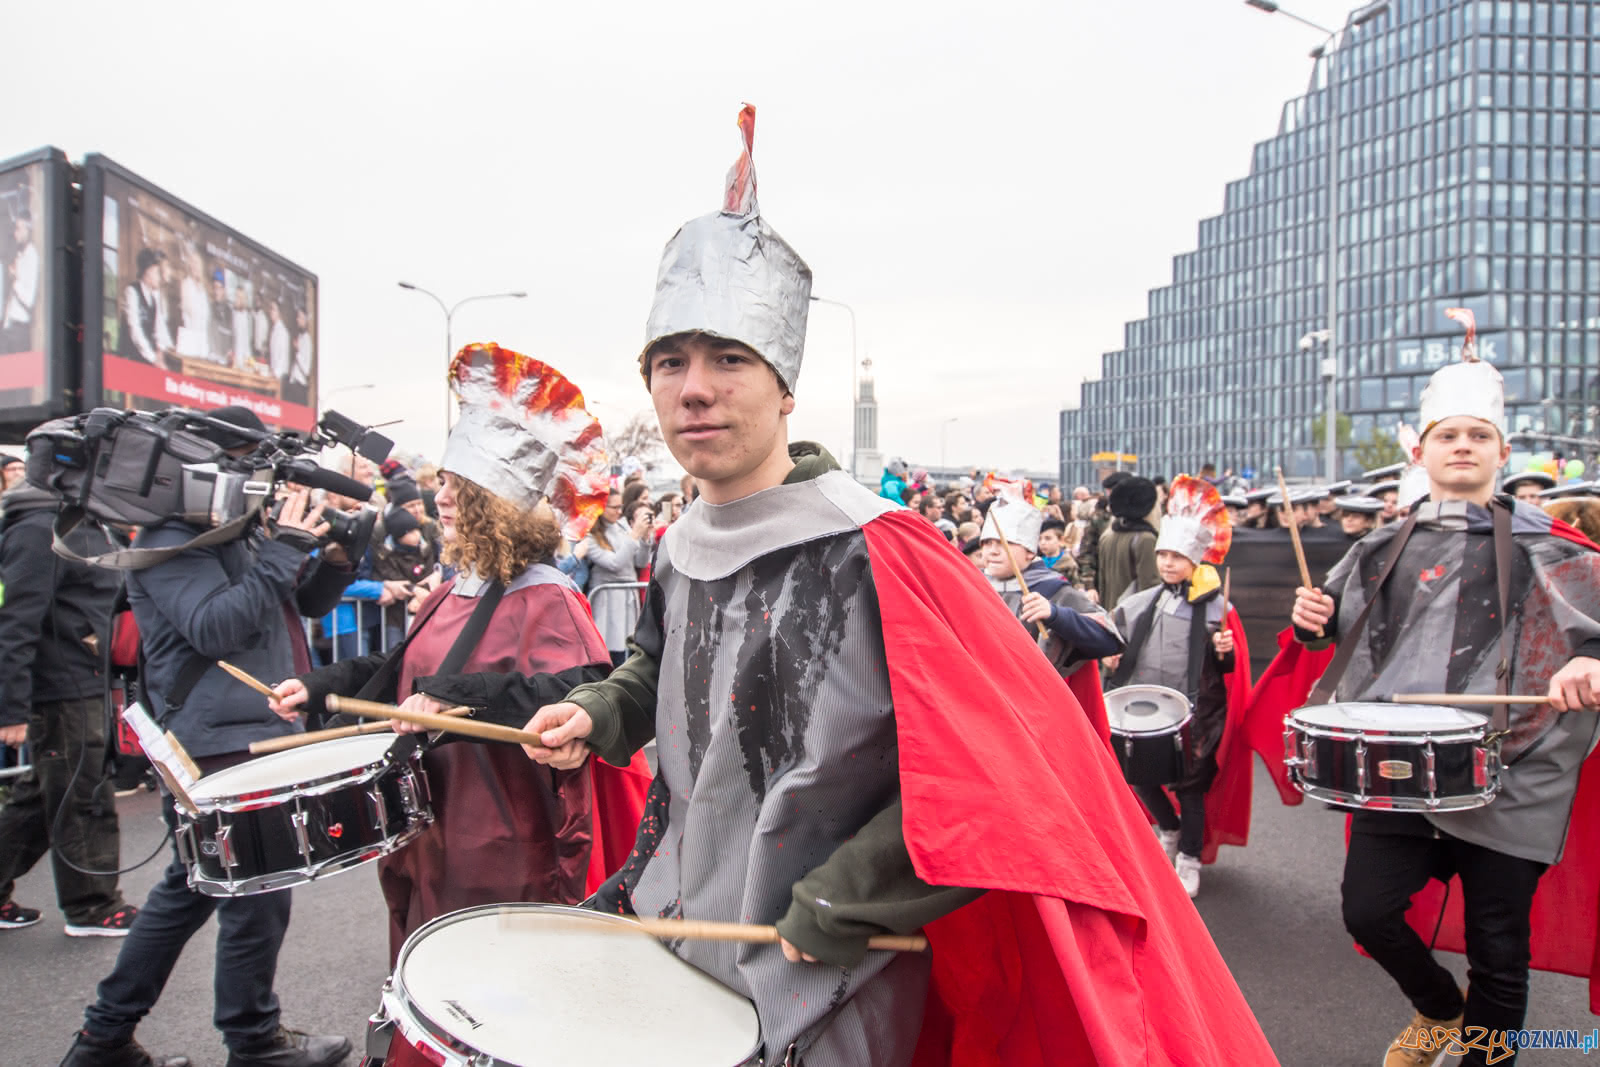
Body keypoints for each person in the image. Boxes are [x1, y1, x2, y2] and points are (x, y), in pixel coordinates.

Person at [518, 106, 1276, 1067]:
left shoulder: (884, 549)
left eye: (727, 359)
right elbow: (658, 671)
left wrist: (848, 894)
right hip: (678, 929)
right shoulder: (678, 542)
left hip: (825, 969)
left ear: (784, 386)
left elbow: (998, 777)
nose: (694, 388)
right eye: (672, 363)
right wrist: (597, 712)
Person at [1291, 315, 1600, 1067]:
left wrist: (1588, 661)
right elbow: (1338, 631)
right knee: (1367, 909)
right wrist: (1311, 624)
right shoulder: (1377, 544)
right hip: (1401, 773)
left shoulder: (1550, 543)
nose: (1462, 445)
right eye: (1447, 434)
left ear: (1501, 449)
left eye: (1478, 434)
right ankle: (1439, 1007)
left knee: (1502, 949)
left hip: (1513, 774)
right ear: (1420, 449)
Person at [271, 343, 646, 961]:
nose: (438, 498)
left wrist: (452, 699)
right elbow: (407, 673)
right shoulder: (448, 590)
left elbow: (577, 690)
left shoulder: (547, 597)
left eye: (456, 486)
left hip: (503, 841)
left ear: (492, 503)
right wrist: (318, 683)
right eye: (441, 483)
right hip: (432, 829)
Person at [60, 406, 355, 1067]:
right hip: (215, 738)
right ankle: (252, 1041)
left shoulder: (229, 533)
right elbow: (216, 626)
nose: (260, 482)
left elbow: (295, 603)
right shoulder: (171, 539)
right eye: (249, 463)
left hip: (236, 731)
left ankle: (103, 1038)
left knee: (193, 888)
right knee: (253, 892)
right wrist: (280, 547)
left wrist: (334, 555)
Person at [1105, 475, 1250, 898]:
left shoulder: (1217, 607)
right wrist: (1111, 653)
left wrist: (1224, 650)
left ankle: (1190, 856)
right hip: (1146, 705)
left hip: (1199, 710)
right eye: (1163, 554)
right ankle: (1167, 829)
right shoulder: (1141, 601)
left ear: (1196, 559)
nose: (1168, 563)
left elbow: (1230, 667)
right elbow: (1117, 638)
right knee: (1140, 775)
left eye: (1177, 556)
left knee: (1190, 787)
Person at [0, 481, 133, 937]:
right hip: (60, 686)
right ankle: (92, 906)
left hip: (83, 678)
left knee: (41, 801)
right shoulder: (41, 529)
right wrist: (11, 709)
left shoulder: (87, 523)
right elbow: (16, 621)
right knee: (82, 797)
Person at [980, 487, 1121, 735]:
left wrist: (1056, 615)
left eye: (1003, 543)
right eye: (987, 543)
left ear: (1030, 551)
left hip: (1042, 722)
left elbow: (1108, 640)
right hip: (987, 716)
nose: (992, 550)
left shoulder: (1054, 588)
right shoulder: (975, 586)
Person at [579, 488, 651, 666]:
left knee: (626, 649)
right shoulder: (590, 536)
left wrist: (644, 539)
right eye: (614, 507)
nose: (620, 511)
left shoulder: (621, 526)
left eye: (621, 506)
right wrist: (634, 535)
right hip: (606, 600)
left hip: (627, 597)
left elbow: (640, 562)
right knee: (608, 651)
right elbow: (614, 564)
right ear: (601, 508)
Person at [1095, 474, 1159, 610]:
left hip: (1111, 615)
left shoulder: (1108, 535)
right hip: (1133, 620)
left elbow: (1102, 583)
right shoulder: (1145, 539)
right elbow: (1151, 589)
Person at [119, 249, 175, 368]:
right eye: (156, 273)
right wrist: (153, 358)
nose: (159, 277)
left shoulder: (153, 299)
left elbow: (159, 328)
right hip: (130, 361)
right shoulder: (132, 292)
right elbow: (135, 329)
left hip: (147, 360)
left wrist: (162, 348)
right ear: (147, 272)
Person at [2, 209, 40, 353]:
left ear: (27, 230)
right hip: (10, 327)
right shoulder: (19, 255)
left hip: (20, 330)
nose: (15, 233)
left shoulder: (32, 256)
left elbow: (29, 299)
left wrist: (16, 278)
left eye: (18, 228)